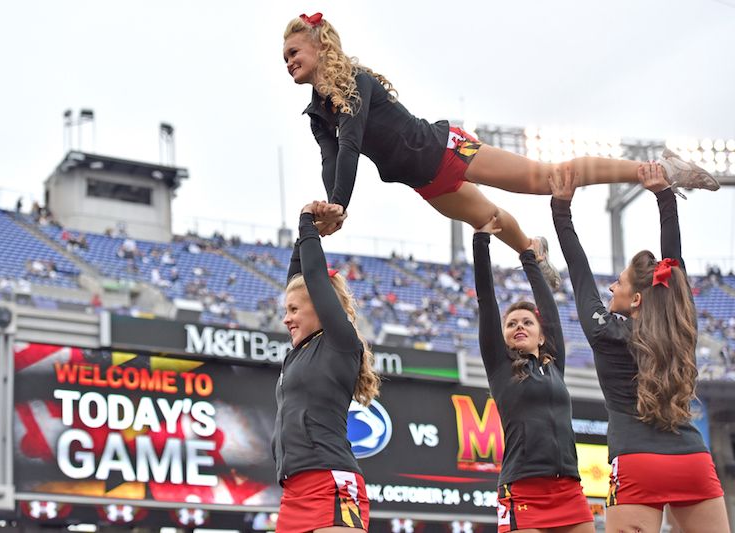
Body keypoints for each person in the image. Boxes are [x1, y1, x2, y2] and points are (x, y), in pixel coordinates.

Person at [282, 13, 720, 288]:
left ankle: (657, 167)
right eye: (283, 58)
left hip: (445, 149)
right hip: (423, 181)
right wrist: (332, 208)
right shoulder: (317, 112)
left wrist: (340, 203)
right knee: (490, 221)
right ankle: (534, 250)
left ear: (321, 47)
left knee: (544, 179)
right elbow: (333, 158)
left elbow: (353, 143)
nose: (288, 62)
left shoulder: (356, 81)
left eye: (293, 51)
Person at [549, 163, 729, 533]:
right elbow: (673, 267)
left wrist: (561, 210)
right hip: (692, 458)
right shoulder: (682, 327)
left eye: (617, 283)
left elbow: (578, 272)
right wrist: (664, 196)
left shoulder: (605, 333)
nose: (611, 288)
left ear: (635, 301)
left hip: (635, 462)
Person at [473, 220, 593, 533]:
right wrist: (481, 241)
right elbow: (486, 301)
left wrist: (530, 259)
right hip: (522, 489)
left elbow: (549, 310)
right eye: (512, 324)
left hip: (569, 489)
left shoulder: (554, 365)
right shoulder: (499, 367)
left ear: (542, 337)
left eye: (527, 322)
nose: (519, 327)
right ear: (504, 336)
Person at [272, 200, 380, 533]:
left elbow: (314, 278)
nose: (286, 318)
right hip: (294, 492)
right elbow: (300, 278)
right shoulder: (299, 351)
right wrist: (305, 238)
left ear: (320, 306)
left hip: (331, 482)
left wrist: (307, 221)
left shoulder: (339, 341)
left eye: (293, 310)